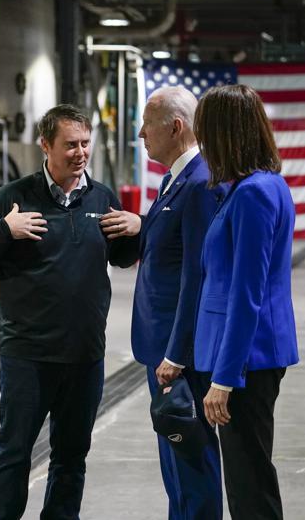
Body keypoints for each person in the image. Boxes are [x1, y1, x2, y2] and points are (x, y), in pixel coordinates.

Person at [0, 104, 139, 520]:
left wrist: (138, 227)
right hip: (29, 354)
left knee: (71, 456)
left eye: (85, 144)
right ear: (46, 145)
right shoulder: (14, 197)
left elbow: (122, 257)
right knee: (14, 451)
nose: (80, 153)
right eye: (70, 145)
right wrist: (6, 230)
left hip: (85, 354)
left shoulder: (101, 197)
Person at [101, 86, 226, 519]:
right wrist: (144, 224)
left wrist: (177, 352)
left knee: (192, 459)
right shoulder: (176, 179)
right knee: (174, 459)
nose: (139, 134)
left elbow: (197, 275)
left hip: (180, 354)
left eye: (147, 126)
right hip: (161, 349)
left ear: (175, 127)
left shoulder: (198, 184)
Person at [192, 84, 299, 520]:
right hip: (251, 356)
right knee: (246, 475)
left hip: (248, 361)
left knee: (248, 480)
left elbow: (247, 292)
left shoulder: (254, 194)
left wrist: (225, 377)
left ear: (224, 134)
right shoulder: (255, 187)